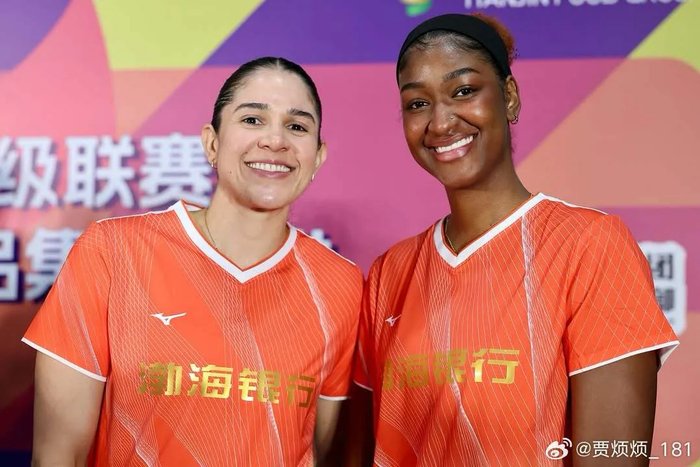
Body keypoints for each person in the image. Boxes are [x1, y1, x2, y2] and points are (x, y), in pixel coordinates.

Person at [349, 13, 679, 466]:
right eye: (417, 103)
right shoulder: (391, 272)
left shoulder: (589, 245)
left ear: (509, 96)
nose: (440, 122)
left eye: (463, 91)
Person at [23, 56, 363, 466]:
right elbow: (58, 455)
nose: (276, 141)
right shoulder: (112, 252)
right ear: (211, 144)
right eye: (252, 120)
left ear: (318, 157)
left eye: (297, 127)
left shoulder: (340, 284)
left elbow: (326, 453)